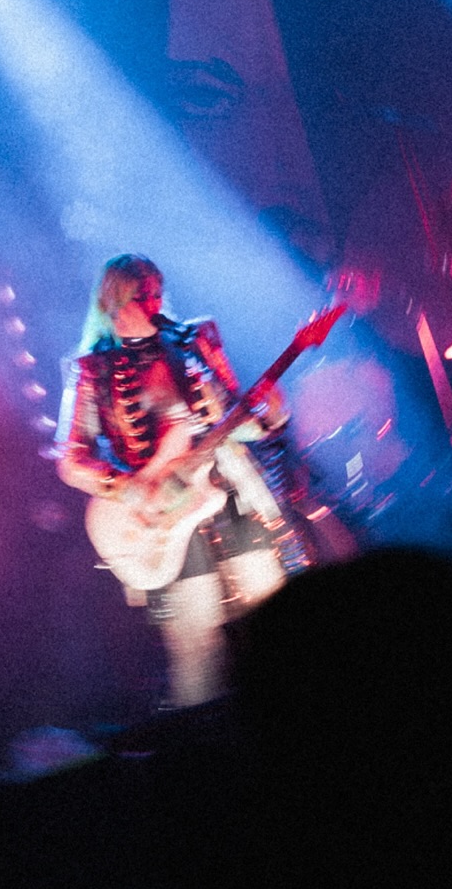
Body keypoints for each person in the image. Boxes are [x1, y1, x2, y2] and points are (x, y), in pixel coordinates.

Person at [55, 255, 295, 707]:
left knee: (276, 619)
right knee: (197, 650)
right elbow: (71, 461)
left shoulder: (194, 339)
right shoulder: (93, 368)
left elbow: (234, 416)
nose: (153, 300)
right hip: (161, 515)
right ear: (113, 302)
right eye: (140, 294)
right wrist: (130, 486)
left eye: (157, 289)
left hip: (226, 490)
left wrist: (269, 417)